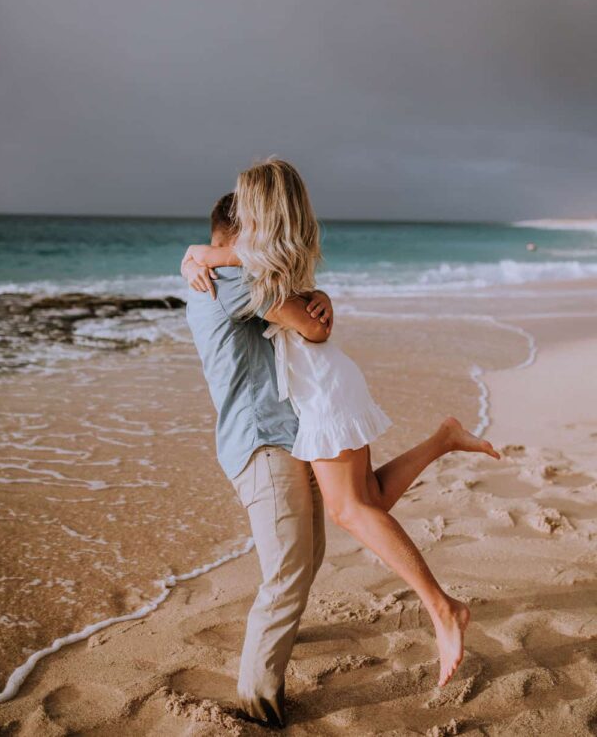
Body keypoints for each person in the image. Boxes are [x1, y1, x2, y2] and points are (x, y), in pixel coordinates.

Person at [183, 160, 501, 691]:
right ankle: (443, 441)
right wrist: (206, 256)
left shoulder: (243, 271)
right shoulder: (229, 280)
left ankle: (442, 609)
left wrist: (203, 253)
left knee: (347, 517)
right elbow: (302, 314)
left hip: (308, 409)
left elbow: (307, 320)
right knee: (354, 512)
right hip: (277, 430)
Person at [183, 192, 332, 728]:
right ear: (239, 238)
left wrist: (317, 294)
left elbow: (297, 300)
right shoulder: (226, 282)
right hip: (261, 442)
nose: (272, 239)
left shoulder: (225, 274)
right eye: (262, 231)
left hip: (285, 436)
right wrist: (317, 305)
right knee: (289, 570)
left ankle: (281, 634)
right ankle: (257, 702)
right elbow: (313, 328)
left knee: (308, 557)